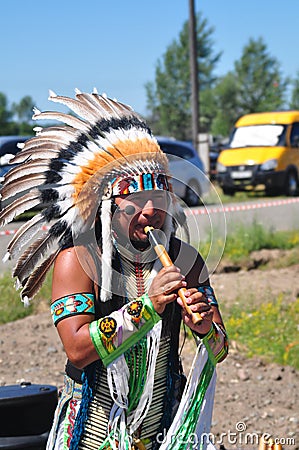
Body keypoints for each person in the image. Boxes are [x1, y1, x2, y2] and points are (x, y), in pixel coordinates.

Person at [0, 90, 228, 450]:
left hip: (164, 428)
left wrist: (204, 330)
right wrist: (148, 306)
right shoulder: (77, 260)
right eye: (135, 200)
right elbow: (77, 349)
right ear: (108, 205)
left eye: (160, 198)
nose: (151, 210)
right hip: (94, 430)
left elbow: (220, 349)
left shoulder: (187, 259)